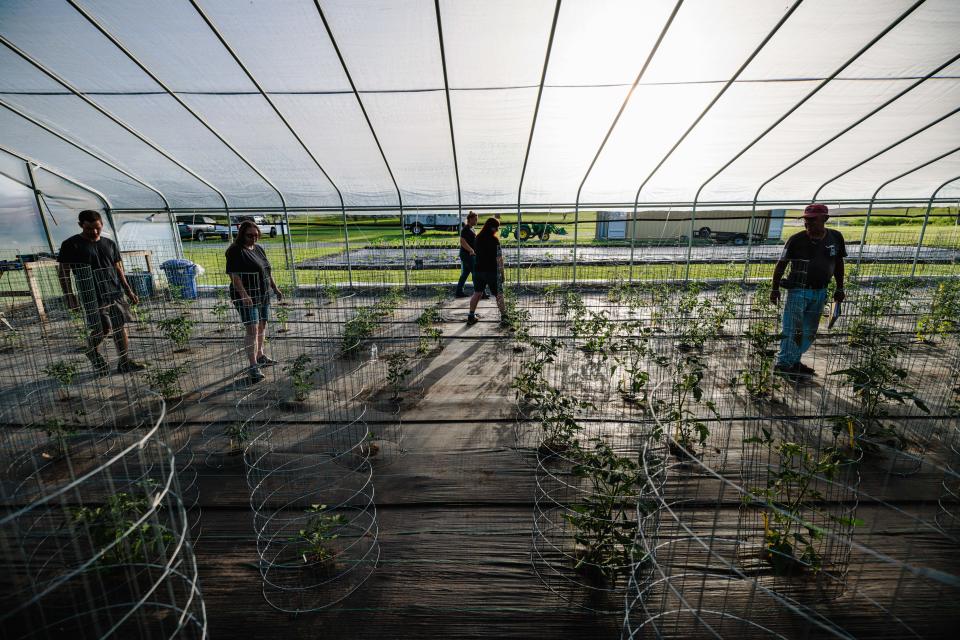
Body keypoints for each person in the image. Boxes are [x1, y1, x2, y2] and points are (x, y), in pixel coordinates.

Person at [57, 210, 146, 375]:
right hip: (91, 294)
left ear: (101, 225)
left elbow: (118, 268)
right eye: (89, 228)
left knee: (120, 326)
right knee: (103, 328)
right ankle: (92, 350)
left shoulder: (109, 243)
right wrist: (69, 296)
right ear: (80, 225)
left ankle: (124, 362)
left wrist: (129, 290)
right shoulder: (71, 244)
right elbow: (63, 272)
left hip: (114, 292)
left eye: (97, 228)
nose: (95, 232)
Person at [770, 203, 846, 376]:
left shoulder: (835, 237)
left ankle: (794, 361)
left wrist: (840, 287)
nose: (808, 224)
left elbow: (839, 263)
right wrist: (774, 289)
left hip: (820, 291)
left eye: (812, 220)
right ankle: (783, 365)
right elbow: (781, 264)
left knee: (809, 330)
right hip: (798, 290)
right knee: (792, 328)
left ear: (825, 219)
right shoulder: (796, 239)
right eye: (806, 220)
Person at [225, 221, 283, 383]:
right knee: (252, 328)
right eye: (250, 235)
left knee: (262, 325)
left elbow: (267, 270)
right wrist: (243, 294)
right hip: (247, 295)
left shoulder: (258, 248)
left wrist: (275, 288)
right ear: (242, 234)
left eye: (256, 235)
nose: (254, 238)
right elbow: (234, 275)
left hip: (263, 294)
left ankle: (261, 355)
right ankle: (253, 366)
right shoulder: (235, 251)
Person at [467, 217, 509, 327]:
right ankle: (504, 317)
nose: (497, 230)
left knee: (477, 293)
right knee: (499, 294)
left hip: (478, 271)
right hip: (491, 271)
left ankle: (471, 316)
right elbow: (499, 259)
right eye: (496, 228)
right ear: (491, 227)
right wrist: (502, 273)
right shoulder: (495, 240)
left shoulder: (477, 238)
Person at [455, 211, 478, 298]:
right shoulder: (465, 229)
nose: (476, 221)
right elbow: (462, 241)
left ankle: (458, 292)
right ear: (470, 219)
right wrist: (471, 250)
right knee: (476, 273)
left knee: (465, 274)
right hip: (467, 255)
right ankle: (480, 292)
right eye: (475, 219)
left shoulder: (472, 228)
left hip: (469, 255)